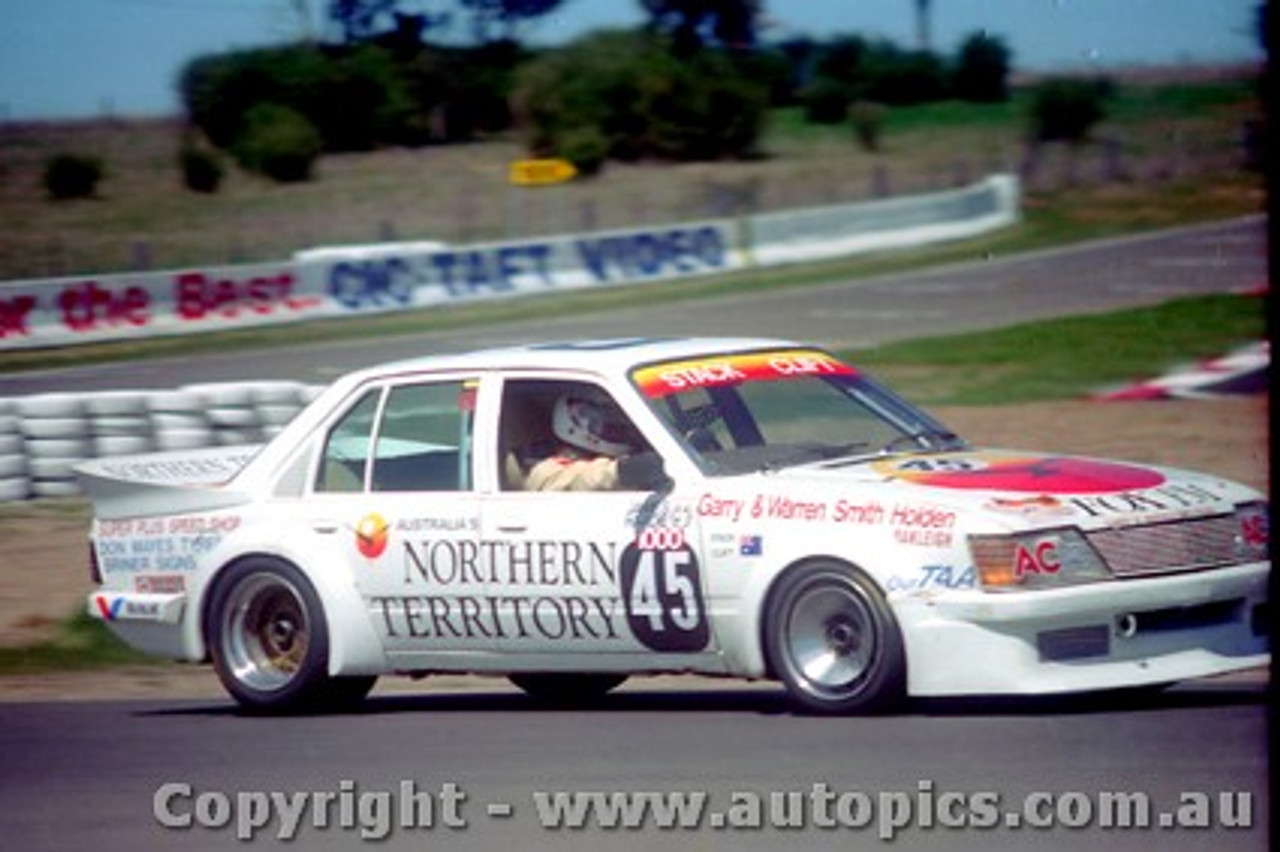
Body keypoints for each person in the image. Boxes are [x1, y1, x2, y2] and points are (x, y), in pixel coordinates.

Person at [515, 390, 640, 491]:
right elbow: (584, 479)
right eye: (597, 421)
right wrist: (622, 471)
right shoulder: (547, 471)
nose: (613, 427)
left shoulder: (602, 460)